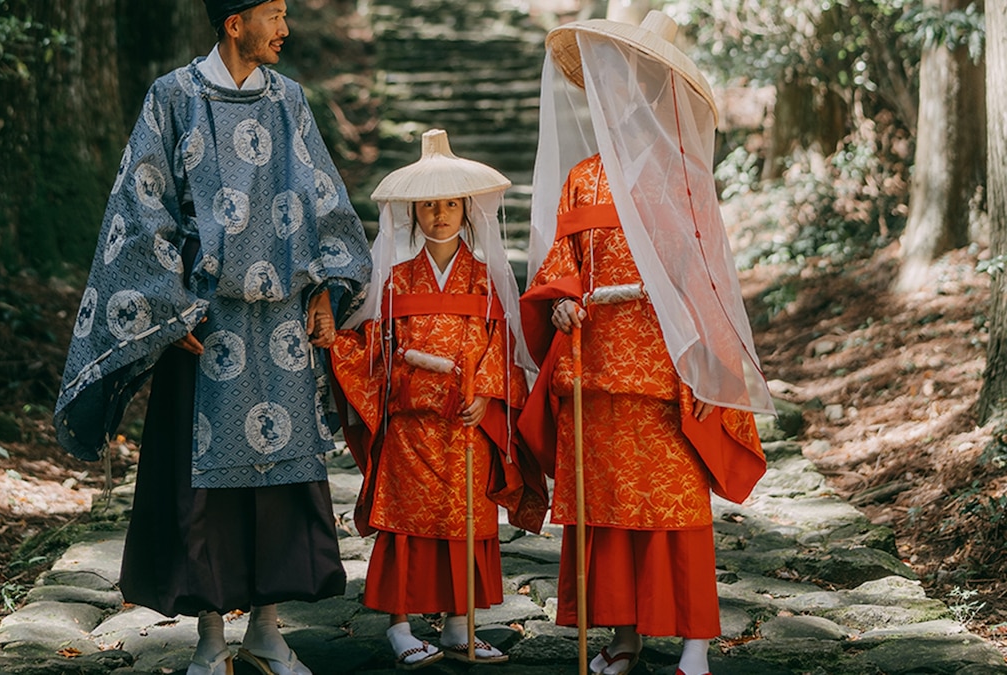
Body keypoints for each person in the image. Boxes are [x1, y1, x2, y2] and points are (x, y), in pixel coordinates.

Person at [52, 1, 372, 674]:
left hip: (280, 325)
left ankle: (266, 629)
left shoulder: (290, 101)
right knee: (201, 489)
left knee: (283, 483)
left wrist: (325, 290)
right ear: (235, 22)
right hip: (204, 324)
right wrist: (171, 310)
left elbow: (325, 200)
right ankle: (209, 639)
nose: (285, 28)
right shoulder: (172, 97)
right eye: (275, 14)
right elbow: (141, 207)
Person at [518, 11, 775, 675]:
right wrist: (563, 303)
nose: (625, 93)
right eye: (616, 80)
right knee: (608, 510)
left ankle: (694, 642)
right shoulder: (582, 177)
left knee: (676, 507)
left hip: (666, 366)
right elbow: (561, 262)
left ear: (659, 89)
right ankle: (624, 634)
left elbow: (706, 273)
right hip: (596, 365)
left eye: (639, 80)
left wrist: (697, 341)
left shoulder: (683, 175)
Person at [330, 129, 546, 669]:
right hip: (409, 427)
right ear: (414, 214)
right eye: (429, 205)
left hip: (467, 424)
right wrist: (336, 341)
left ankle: (457, 624)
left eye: (451, 204)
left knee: (467, 524)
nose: (441, 214)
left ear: (467, 211)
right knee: (404, 526)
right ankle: (400, 626)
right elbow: (371, 348)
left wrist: (492, 400)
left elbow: (503, 345)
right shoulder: (394, 282)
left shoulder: (485, 283)